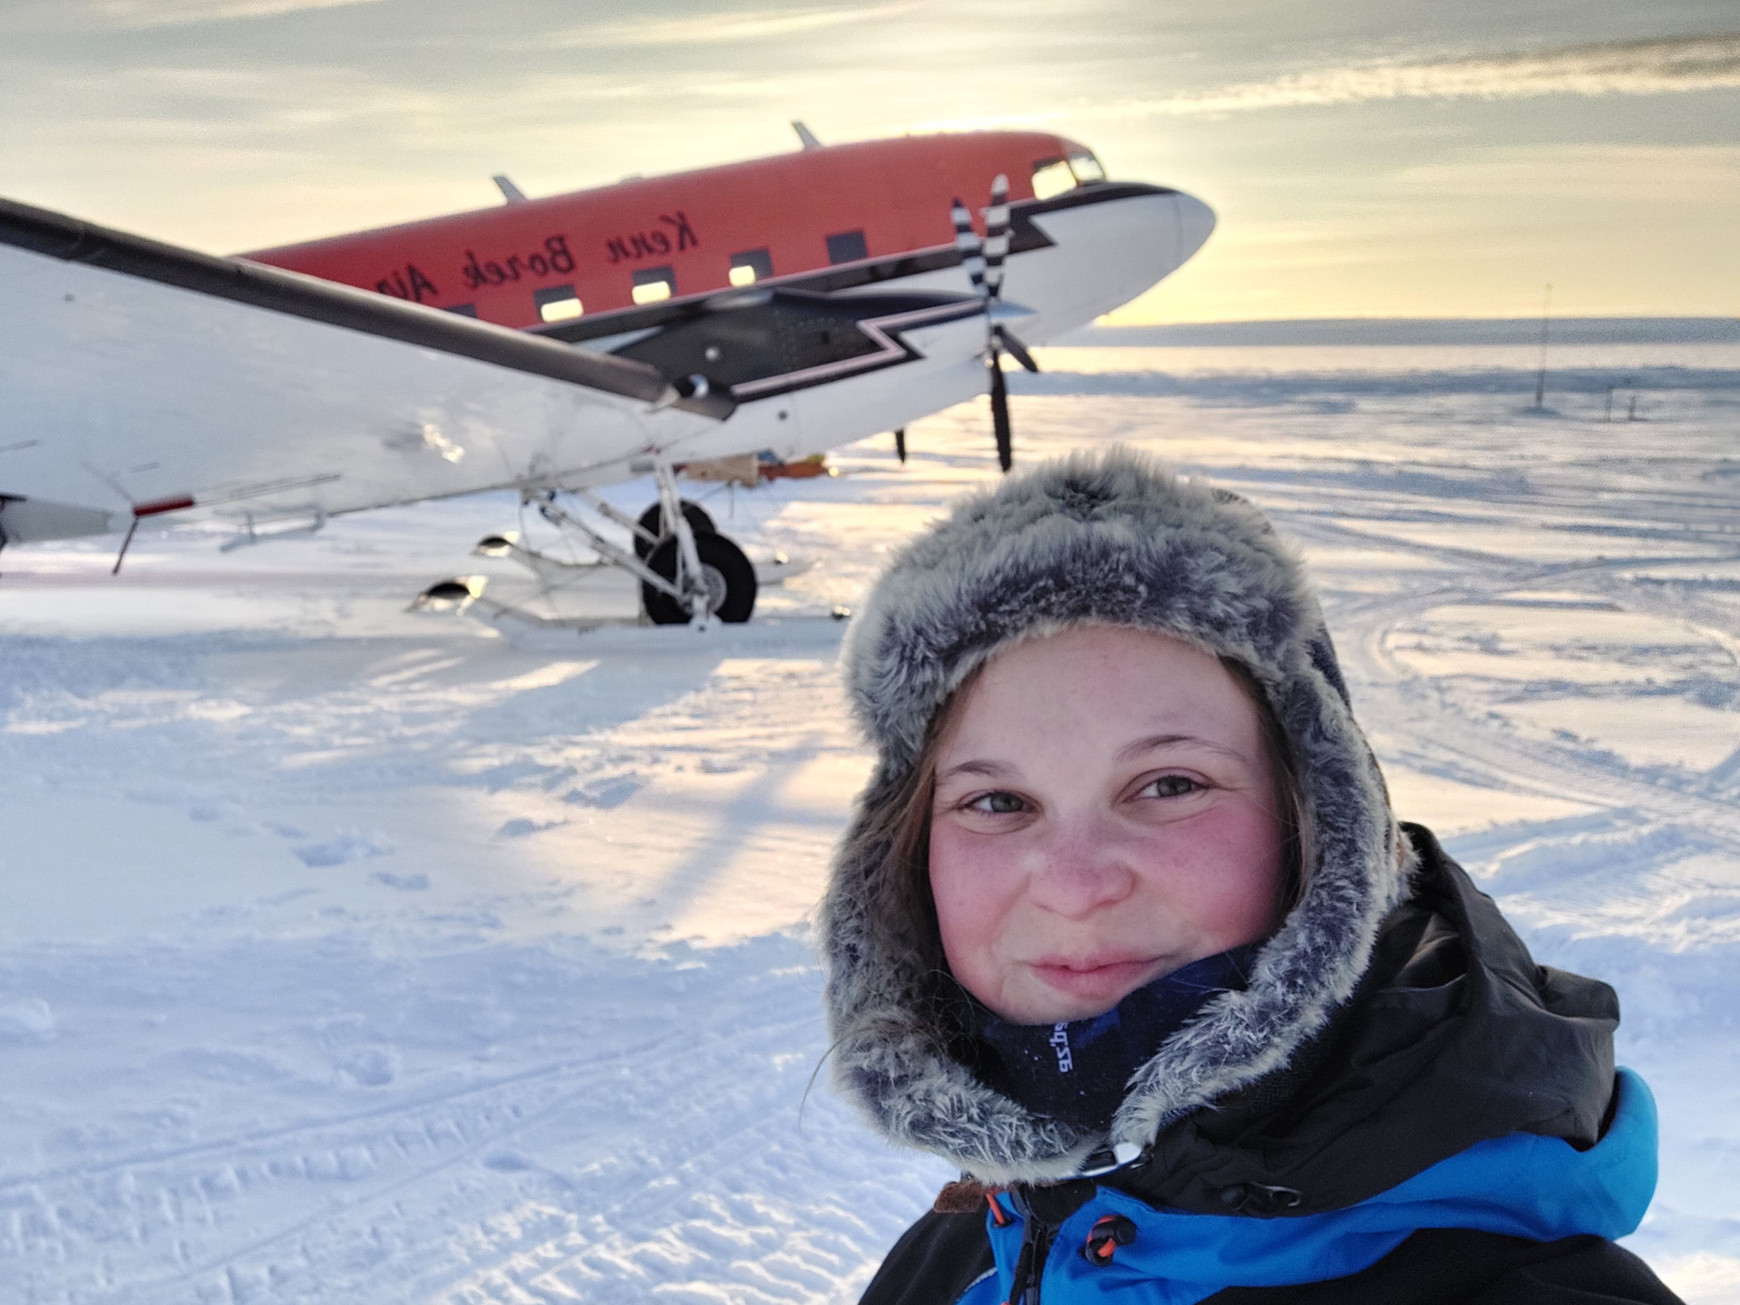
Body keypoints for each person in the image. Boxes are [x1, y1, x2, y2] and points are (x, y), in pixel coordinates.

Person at [818, 449, 1681, 1303]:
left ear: (1319, 825)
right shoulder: (950, 1256)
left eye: (1169, 785)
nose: (1073, 888)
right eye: (998, 800)